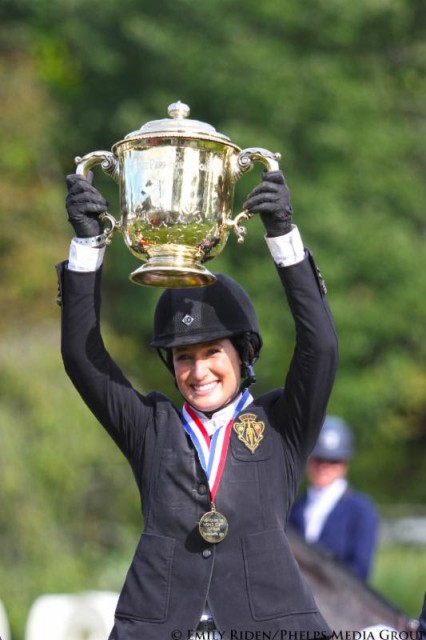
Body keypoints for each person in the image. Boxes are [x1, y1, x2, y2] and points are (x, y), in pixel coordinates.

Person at [57, 167, 338, 640]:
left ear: (244, 353)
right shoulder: (150, 428)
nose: (198, 371)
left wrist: (283, 236)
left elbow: (321, 348)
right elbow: (82, 360)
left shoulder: (281, 424)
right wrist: (87, 248)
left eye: (212, 353)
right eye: (184, 357)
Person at [289, 415, 379, 581]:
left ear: (344, 464)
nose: (324, 467)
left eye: (333, 461)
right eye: (319, 459)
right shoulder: (294, 508)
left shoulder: (361, 510)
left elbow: (360, 570)